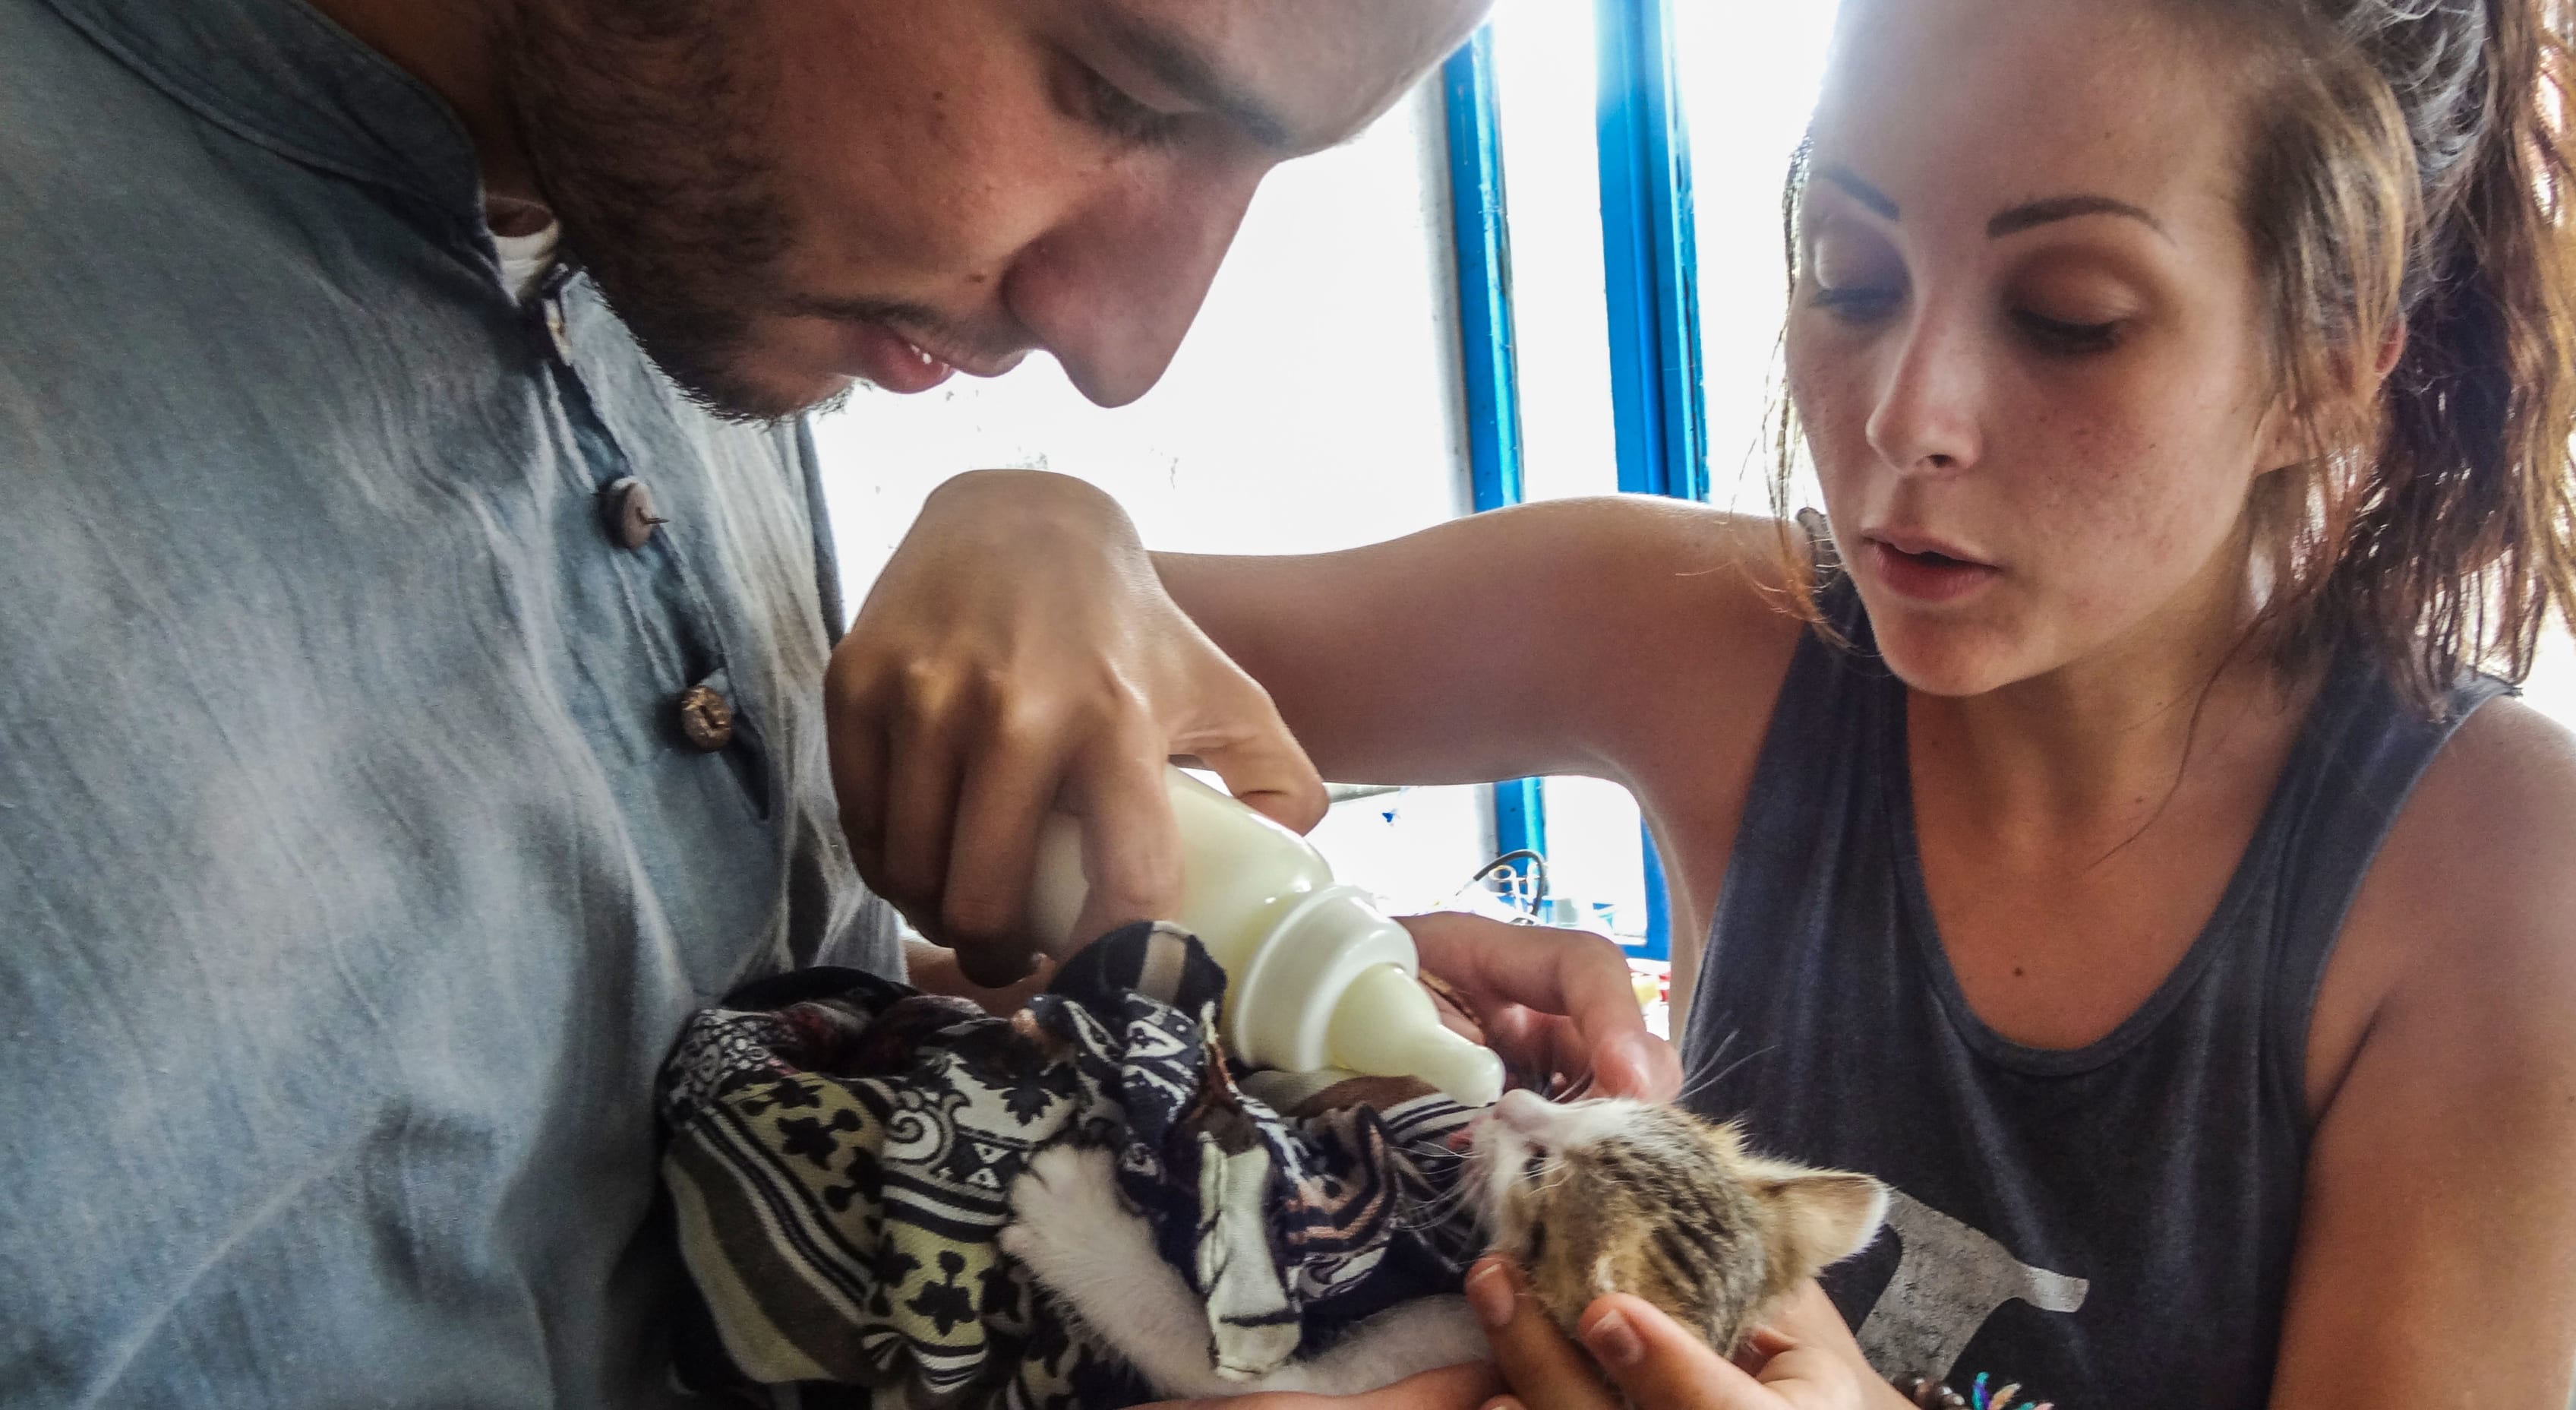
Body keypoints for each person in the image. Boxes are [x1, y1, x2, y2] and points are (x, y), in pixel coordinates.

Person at [831, 0, 2576, 1405]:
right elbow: (1070, 663)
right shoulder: (1713, 635)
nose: (1904, 413)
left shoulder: (2486, 865)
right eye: (1848, 274)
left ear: (2328, 369)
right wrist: (1030, 523)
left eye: (2072, 314)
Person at [0, 2, 1668, 1405]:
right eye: (1113, 88)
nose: (1125, 349)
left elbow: (623, 1115)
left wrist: (1230, 1057)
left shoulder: (663, 228)